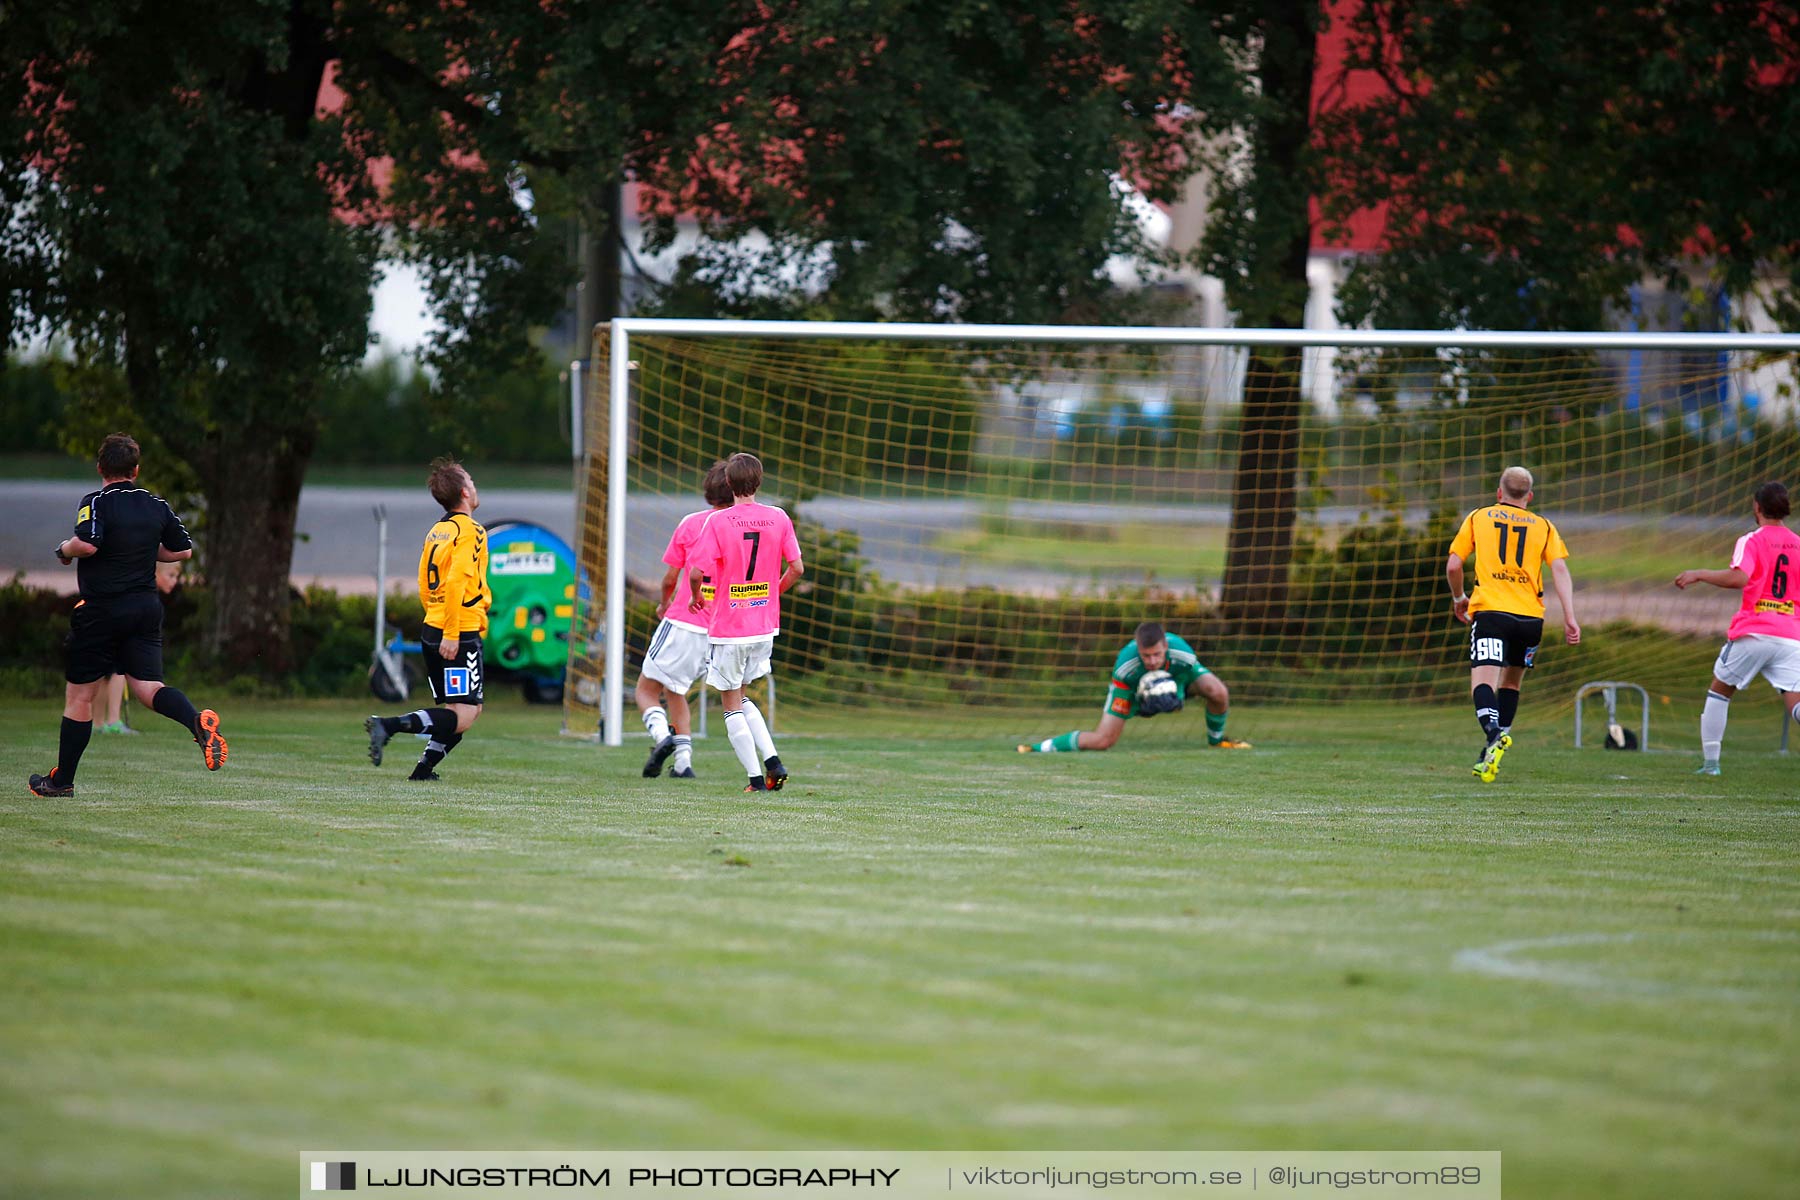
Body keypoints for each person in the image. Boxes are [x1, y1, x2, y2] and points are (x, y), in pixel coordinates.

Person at [28, 433, 226, 797]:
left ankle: (61, 782)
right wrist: (146, 551)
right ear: (136, 470)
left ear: (101, 467)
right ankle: (196, 721)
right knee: (148, 688)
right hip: (146, 609)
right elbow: (182, 551)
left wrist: (64, 550)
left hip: (102, 609)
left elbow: (88, 543)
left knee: (80, 698)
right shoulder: (156, 504)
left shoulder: (96, 502)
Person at [1447, 465, 1580, 783]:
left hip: (1492, 614)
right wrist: (1571, 616)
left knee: (1482, 684)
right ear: (1529, 496)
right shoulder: (1544, 526)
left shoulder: (1479, 517)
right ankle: (1490, 754)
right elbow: (1560, 570)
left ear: (1498, 493)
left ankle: (1493, 733)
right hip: (1530, 619)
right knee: (1510, 684)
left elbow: (1454, 564)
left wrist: (1458, 598)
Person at [366, 457, 491, 781]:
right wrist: (451, 631)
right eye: (472, 482)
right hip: (457, 631)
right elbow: (455, 581)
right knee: (462, 716)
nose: (475, 487)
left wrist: (435, 619)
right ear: (465, 492)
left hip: (434, 626)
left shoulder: (437, 531)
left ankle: (423, 770)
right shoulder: (471, 531)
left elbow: (424, 582)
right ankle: (388, 725)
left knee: (463, 710)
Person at [686, 452, 803, 792]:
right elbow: (797, 568)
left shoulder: (719, 522)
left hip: (730, 627)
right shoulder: (779, 517)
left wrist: (697, 595)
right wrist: (773, 593)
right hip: (764, 626)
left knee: (729, 704)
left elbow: (696, 573)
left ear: (728, 484)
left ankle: (756, 779)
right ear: (759, 481)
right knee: (742, 696)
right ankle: (774, 763)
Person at [1674, 480, 1800, 776]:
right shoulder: (1798, 543)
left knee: (1719, 691)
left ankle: (1711, 765)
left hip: (1755, 631)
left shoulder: (1752, 540)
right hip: (1791, 636)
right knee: (1795, 705)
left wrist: (1699, 574)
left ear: (1757, 507)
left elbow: (1740, 578)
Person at [1017, 621, 1250, 754]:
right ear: (1138, 649)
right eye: (1145, 656)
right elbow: (1123, 692)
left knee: (1218, 691)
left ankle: (1218, 740)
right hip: (1130, 690)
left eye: (1157, 654)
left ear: (1165, 646)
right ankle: (1037, 748)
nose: (1151, 661)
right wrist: (1141, 706)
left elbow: (1183, 680)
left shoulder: (1183, 654)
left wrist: (1175, 699)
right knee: (1102, 741)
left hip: (1178, 679)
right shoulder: (1125, 667)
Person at [638, 461, 733, 779]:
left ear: (708, 491)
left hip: (684, 620)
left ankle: (662, 737)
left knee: (646, 690)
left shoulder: (693, 523)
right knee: (676, 691)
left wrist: (664, 605)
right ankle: (683, 763)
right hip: (719, 629)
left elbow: (670, 578)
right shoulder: (739, 527)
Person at [95, 563, 179, 736]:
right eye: (170, 575)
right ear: (155, 573)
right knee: (116, 672)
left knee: (105, 674)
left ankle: (98, 723)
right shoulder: (145, 598)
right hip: (116, 632)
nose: (175, 581)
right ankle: (111, 721)